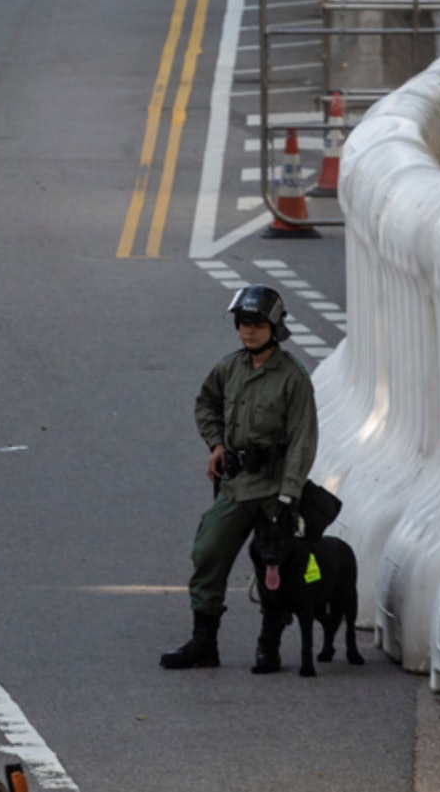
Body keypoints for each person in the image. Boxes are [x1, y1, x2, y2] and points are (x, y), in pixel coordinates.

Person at [160, 285, 319, 673]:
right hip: (236, 484)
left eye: (256, 324)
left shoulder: (293, 378)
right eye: (242, 324)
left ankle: (270, 642)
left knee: (277, 567)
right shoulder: (229, 368)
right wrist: (216, 444)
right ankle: (204, 641)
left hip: (275, 488)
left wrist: (289, 495)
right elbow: (207, 404)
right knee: (207, 552)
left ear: (275, 327)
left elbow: (303, 439)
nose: (248, 331)